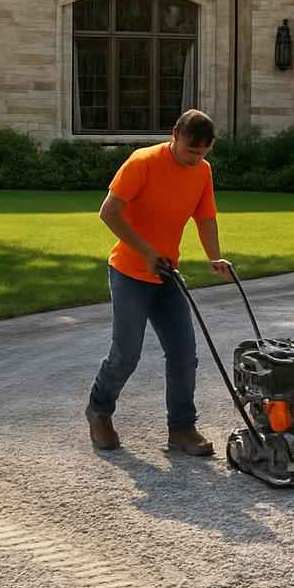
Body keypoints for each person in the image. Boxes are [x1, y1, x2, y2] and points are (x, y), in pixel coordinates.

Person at [85, 109, 231, 455]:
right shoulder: (143, 162)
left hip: (166, 273)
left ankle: (181, 428)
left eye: (202, 153)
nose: (195, 159)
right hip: (130, 272)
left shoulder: (202, 172)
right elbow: (109, 212)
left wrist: (214, 256)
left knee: (184, 354)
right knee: (126, 354)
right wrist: (147, 252)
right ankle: (98, 410)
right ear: (174, 135)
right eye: (190, 151)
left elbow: (205, 217)